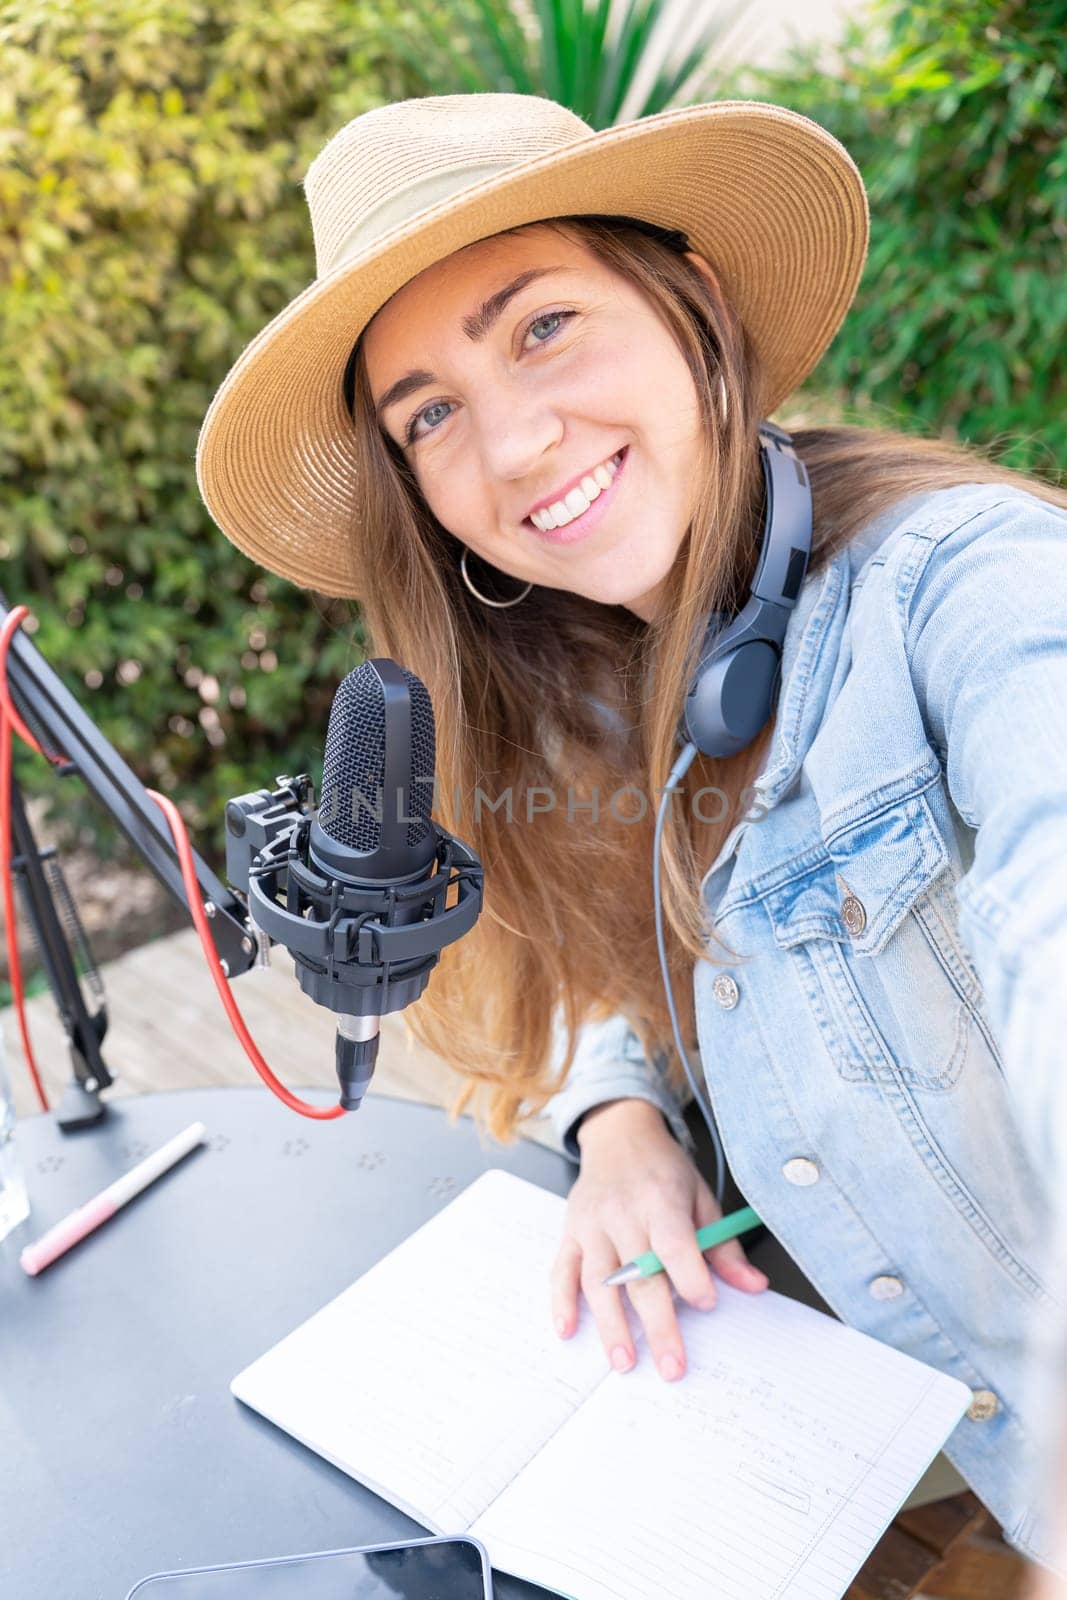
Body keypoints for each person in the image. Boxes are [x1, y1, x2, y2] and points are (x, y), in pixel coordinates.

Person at [196, 92, 1067, 1580]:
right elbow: (628, 943)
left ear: (692, 304)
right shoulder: (601, 674)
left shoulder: (967, 587)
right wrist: (619, 1123)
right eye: (431, 412)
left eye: (540, 326)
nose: (519, 443)